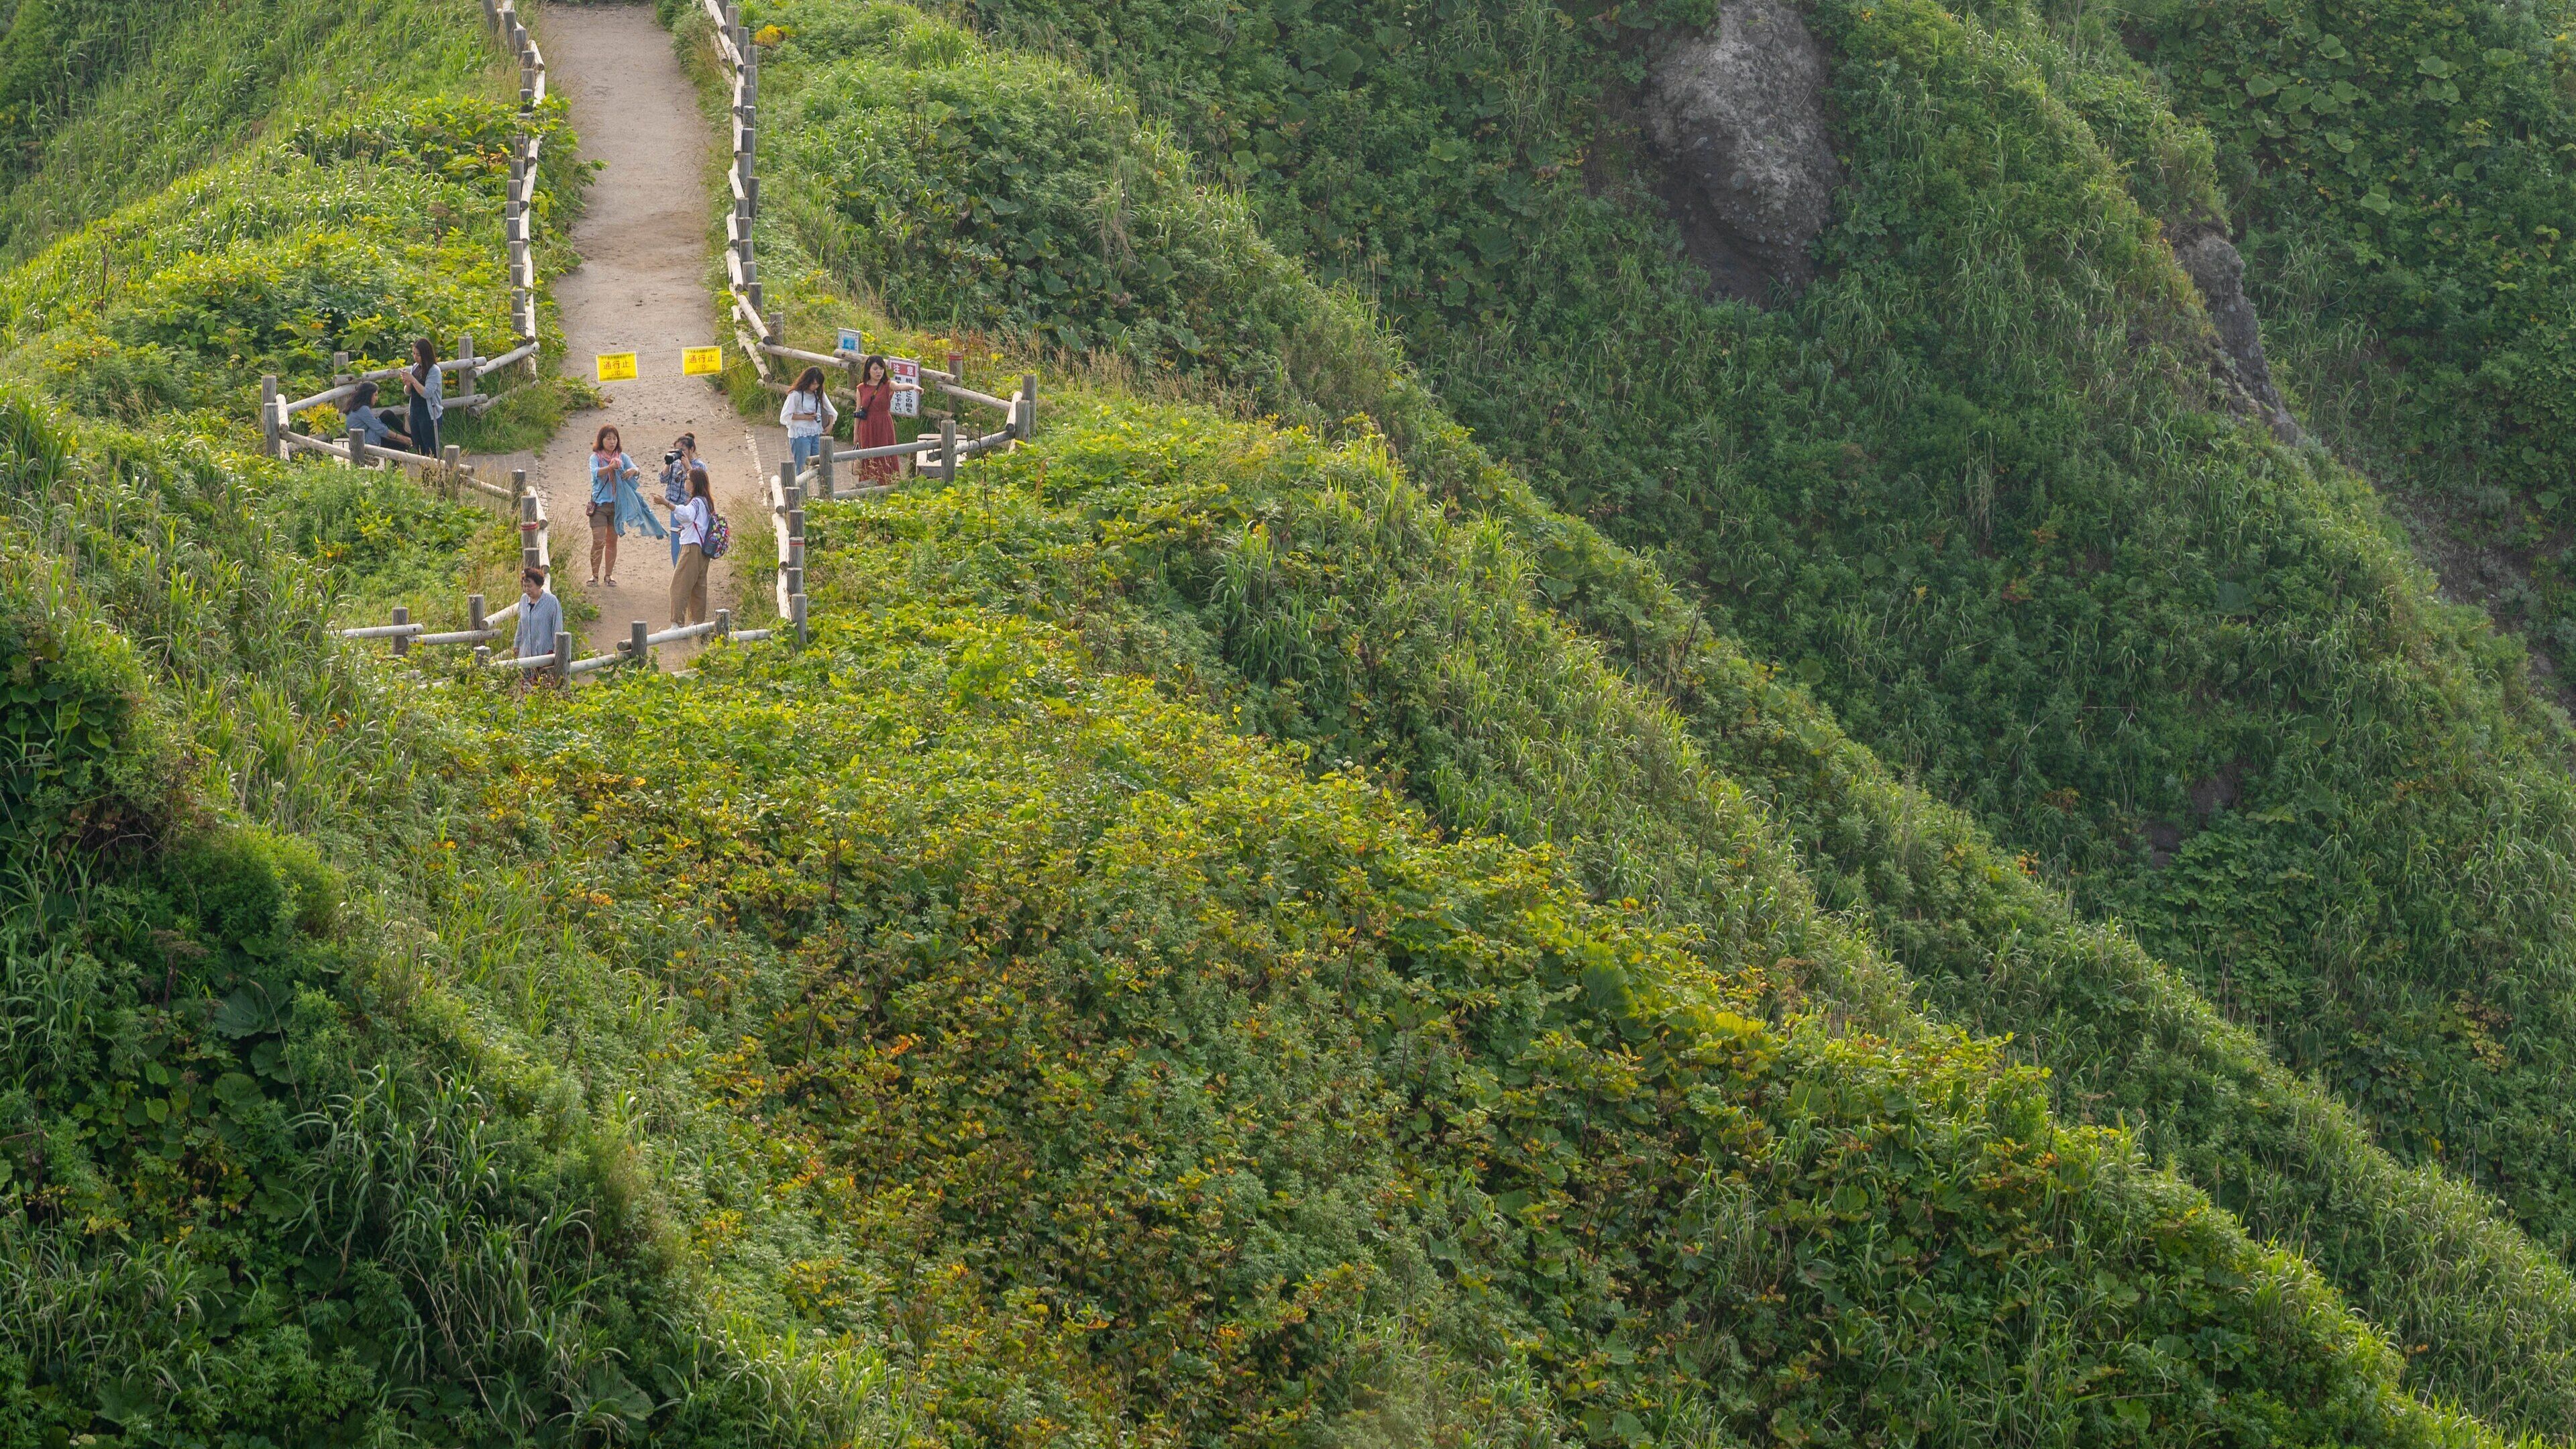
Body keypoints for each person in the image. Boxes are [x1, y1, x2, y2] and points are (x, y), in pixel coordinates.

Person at [587, 425, 639, 586]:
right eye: (608, 438)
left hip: (617, 505)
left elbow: (636, 469)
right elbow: (596, 473)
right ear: (601, 440)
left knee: (612, 541)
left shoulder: (622, 457)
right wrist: (610, 467)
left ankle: (608, 576)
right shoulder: (595, 457)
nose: (612, 442)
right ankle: (594, 575)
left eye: (614, 438)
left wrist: (633, 472)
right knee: (599, 541)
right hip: (600, 506)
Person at [669, 464, 714, 627]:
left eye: (687, 479)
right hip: (704, 549)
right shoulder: (707, 501)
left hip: (691, 547)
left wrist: (667, 504)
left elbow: (686, 515)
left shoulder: (695, 502)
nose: (685, 482)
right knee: (698, 587)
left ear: (694, 484)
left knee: (678, 585)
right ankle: (697, 623)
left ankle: (676, 623)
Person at [851, 355, 900, 483]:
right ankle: (868, 486)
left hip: (884, 424)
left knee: (886, 453)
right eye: (875, 369)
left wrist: (914, 388)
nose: (879, 372)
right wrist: (855, 433)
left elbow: (899, 387)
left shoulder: (887, 385)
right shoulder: (861, 388)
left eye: (881, 369)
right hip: (867, 426)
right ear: (868, 370)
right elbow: (858, 411)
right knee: (868, 455)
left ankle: (888, 483)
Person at [779, 366, 837, 475]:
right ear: (807, 381)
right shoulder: (795, 394)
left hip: (816, 433)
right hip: (800, 435)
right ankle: (802, 492)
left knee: (822, 465)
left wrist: (830, 425)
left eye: (818, 384)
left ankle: (825, 491)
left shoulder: (818, 393)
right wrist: (806, 417)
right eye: (814, 384)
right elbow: (785, 416)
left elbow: (831, 411)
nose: (816, 386)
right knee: (802, 467)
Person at [398, 337, 443, 458]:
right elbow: (408, 392)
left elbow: (427, 393)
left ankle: (435, 475)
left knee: (431, 449)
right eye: (413, 353)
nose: (415, 357)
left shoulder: (434, 370)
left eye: (418, 354)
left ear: (425, 354)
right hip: (415, 412)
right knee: (419, 448)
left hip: (429, 414)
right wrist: (408, 384)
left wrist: (412, 380)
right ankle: (424, 476)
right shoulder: (415, 367)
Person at [511, 564, 564, 665]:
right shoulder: (523, 599)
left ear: (539, 585)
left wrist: (557, 652)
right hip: (525, 655)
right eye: (525, 586)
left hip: (544, 655)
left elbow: (557, 628)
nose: (527, 589)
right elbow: (521, 624)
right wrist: (516, 645)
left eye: (530, 586)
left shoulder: (551, 601)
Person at [659, 433, 699, 565]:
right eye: (676, 450)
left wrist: (688, 467)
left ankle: (690, 571)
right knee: (676, 543)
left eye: (682, 451)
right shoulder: (674, 465)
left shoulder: (699, 466)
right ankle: (678, 571)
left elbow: (698, 485)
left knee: (690, 542)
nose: (679, 454)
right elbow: (662, 479)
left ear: (691, 450)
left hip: (691, 509)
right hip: (675, 509)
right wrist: (668, 463)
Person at [343, 381, 412, 454]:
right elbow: (379, 429)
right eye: (375, 395)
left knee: (387, 414)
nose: (377, 399)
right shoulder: (363, 409)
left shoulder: (356, 407)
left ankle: (411, 436)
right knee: (402, 447)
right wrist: (401, 438)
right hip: (367, 441)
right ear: (369, 395)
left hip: (367, 436)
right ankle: (410, 439)